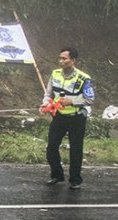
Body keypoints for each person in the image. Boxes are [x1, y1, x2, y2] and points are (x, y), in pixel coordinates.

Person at [39, 47, 95, 189]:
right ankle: (57, 175)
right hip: (59, 117)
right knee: (51, 146)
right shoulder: (55, 74)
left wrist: (72, 102)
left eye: (64, 58)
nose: (61, 61)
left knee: (76, 149)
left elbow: (90, 99)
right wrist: (45, 104)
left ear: (73, 60)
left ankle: (75, 179)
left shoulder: (84, 78)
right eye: (60, 58)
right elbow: (48, 93)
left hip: (76, 118)